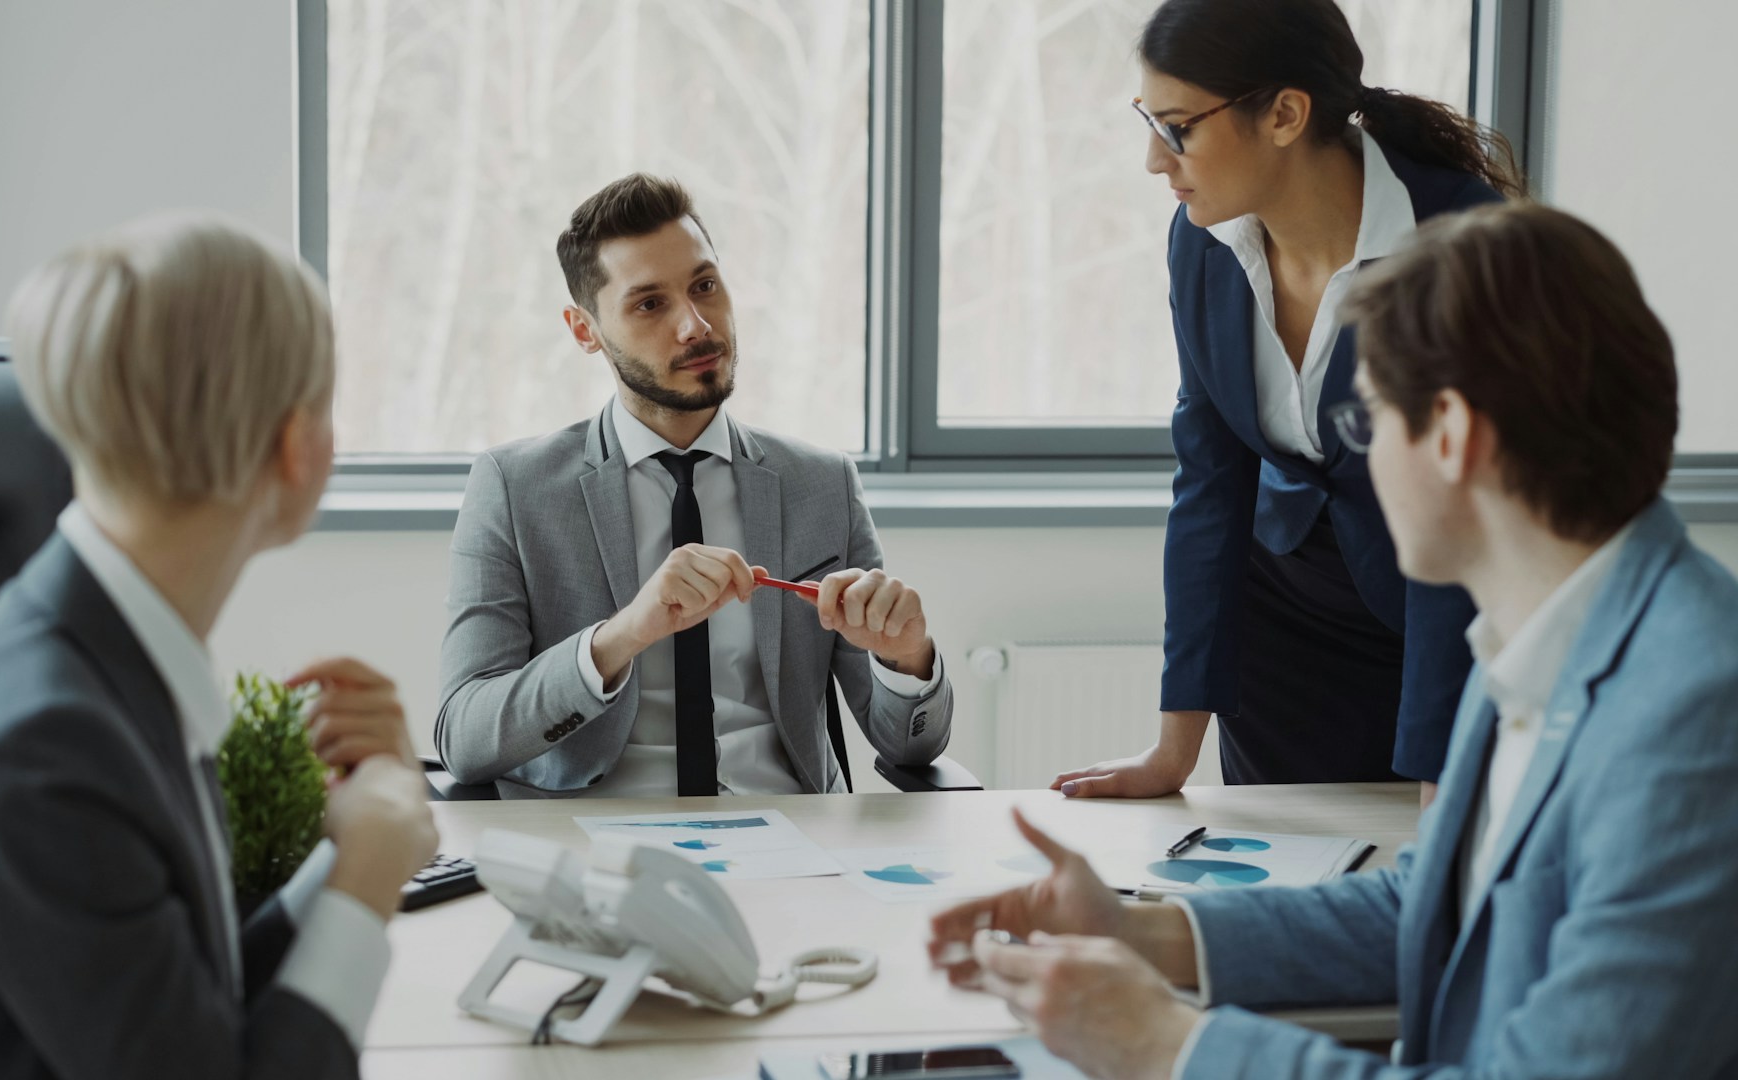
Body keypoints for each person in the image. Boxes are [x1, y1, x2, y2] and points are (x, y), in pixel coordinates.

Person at [931, 202, 1738, 1078]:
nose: (1360, 460)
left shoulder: (1693, 713)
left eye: (1367, 422)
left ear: (1453, 437)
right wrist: (1143, 933)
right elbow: (1432, 907)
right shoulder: (1535, 633)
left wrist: (1164, 1044)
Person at [0, 216, 439, 1079]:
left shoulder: (89, 664)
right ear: (298, 448)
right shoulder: (45, 750)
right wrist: (366, 880)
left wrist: (358, 846)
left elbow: (181, 1013)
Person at [1054, 0, 1524, 801]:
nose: (1153, 161)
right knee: (1279, 885)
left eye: (1177, 128)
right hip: (1282, 632)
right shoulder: (1203, 239)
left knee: (1423, 887)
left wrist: (1438, 767)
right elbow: (1209, 482)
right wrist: (1173, 751)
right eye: (1149, 121)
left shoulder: (1464, 243)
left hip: (1442, 620)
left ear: (1284, 114)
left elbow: (1470, 519)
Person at [435, 173, 952, 797]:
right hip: (600, 850)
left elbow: (912, 746)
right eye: (650, 303)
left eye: (705, 286)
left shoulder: (821, 484)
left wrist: (906, 660)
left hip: (792, 843)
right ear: (584, 330)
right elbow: (464, 738)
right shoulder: (515, 489)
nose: (696, 326)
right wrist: (624, 634)